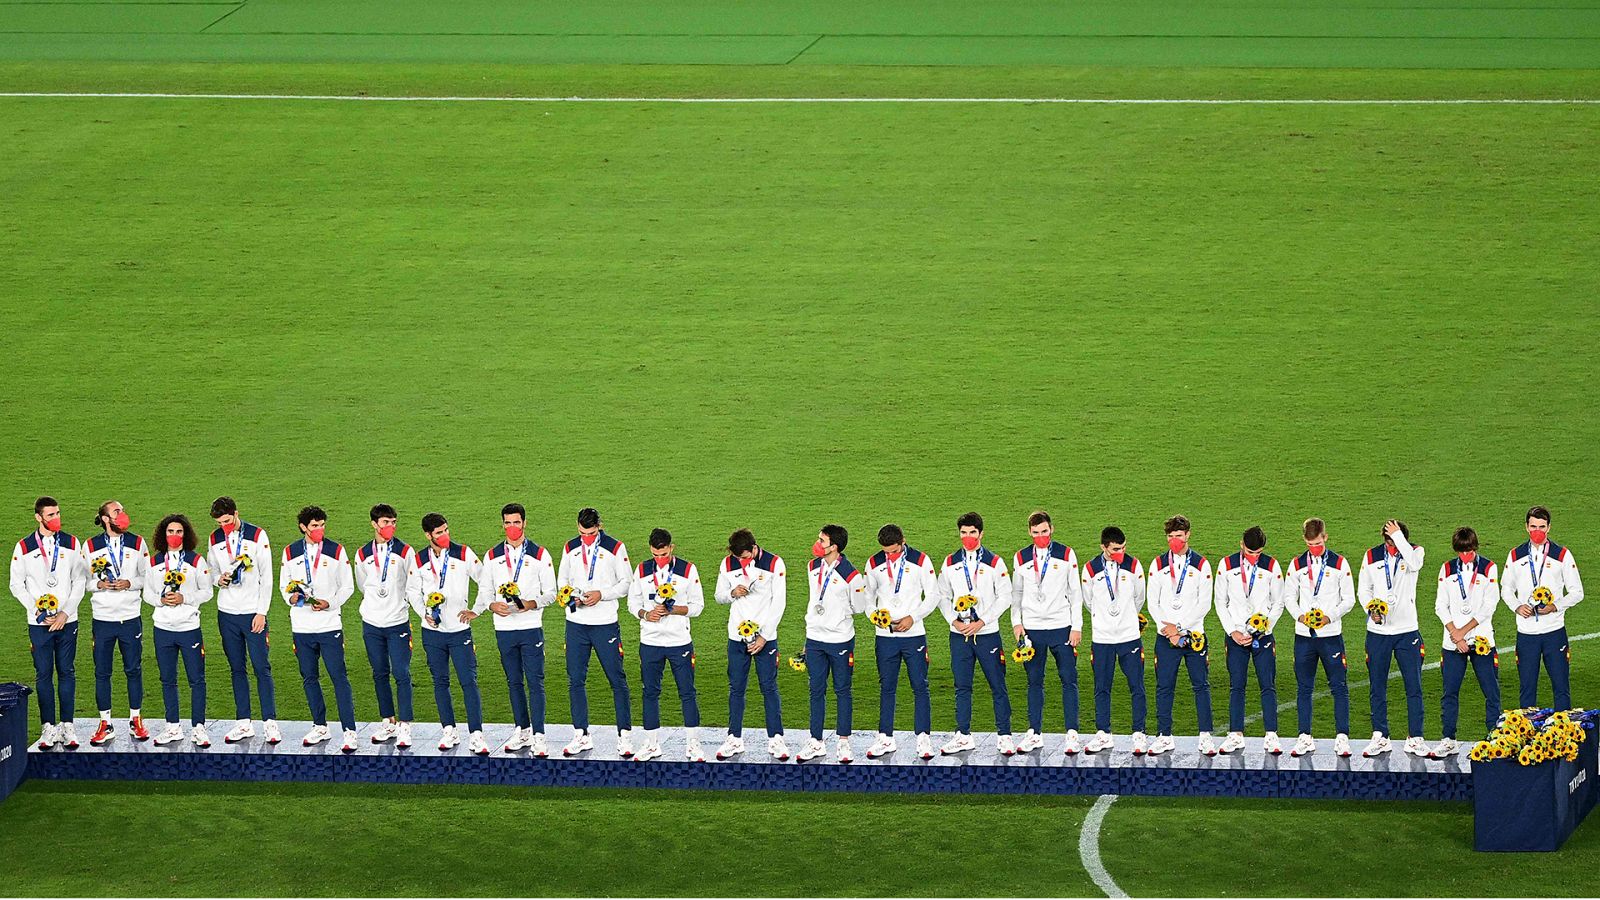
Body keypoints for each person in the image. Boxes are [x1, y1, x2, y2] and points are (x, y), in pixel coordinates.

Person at [475, 503, 558, 756]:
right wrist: (491, 605)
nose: (512, 527)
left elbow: (552, 594)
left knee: (535, 682)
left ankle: (540, 735)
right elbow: (484, 591)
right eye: (508, 523)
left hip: (530, 626)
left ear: (525, 523)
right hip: (503, 628)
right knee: (513, 682)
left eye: (516, 522)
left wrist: (532, 603)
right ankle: (522, 730)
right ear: (503, 525)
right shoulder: (491, 556)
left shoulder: (540, 555)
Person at [405, 512, 489, 756]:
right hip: (432, 632)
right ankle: (449, 730)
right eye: (439, 532)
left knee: (468, 681)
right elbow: (412, 591)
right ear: (428, 535)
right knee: (440, 682)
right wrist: (423, 614)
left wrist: (476, 609)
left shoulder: (463, 553)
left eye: (446, 530)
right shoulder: (419, 559)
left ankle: (476, 734)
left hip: (459, 629)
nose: (444, 536)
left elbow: (485, 581)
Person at [10, 496, 88, 750]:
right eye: (51, 515)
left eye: (57, 514)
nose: (56, 519)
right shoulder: (23, 547)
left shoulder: (72, 543)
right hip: (39, 624)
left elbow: (80, 580)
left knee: (67, 671)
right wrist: (38, 612)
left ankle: (68, 725)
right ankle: (48, 727)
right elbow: (16, 585)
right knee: (43, 674)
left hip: (68, 621)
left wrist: (65, 612)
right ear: (38, 517)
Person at [556, 507, 634, 758]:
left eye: (590, 533)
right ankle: (581, 734)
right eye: (582, 532)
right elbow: (562, 581)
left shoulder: (615, 548)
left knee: (616, 679)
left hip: (605, 623)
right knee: (575, 679)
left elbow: (627, 583)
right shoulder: (570, 548)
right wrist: (572, 598)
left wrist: (603, 594)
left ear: (599, 526)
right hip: (576, 623)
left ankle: (624, 736)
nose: (586, 537)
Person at [279, 506, 358, 753]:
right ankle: (320, 726)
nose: (319, 530)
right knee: (309, 677)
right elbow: (284, 586)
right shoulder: (290, 552)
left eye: (322, 524)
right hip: (301, 627)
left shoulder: (336, 550)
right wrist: (291, 598)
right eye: (314, 526)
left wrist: (330, 603)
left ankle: (350, 731)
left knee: (339, 677)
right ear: (303, 527)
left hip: (329, 625)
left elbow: (347, 587)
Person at [937, 512, 1015, 757]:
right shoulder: (950, 562)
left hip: (987, 634)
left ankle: (1004, 736)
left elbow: (1006, 596)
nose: (967, 537)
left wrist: (983, 621)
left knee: (997, 685)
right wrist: (954, 621)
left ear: (981, 534)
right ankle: (963, 736)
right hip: (959, 635)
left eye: (972, 533)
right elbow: (942, 595)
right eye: (963, 532)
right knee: (962, 686)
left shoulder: (994, 562)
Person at [627, 528, 706, 762]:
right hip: (650, 641)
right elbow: (632, 602)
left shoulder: (687, 570)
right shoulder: (641, 569)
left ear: (671, 548)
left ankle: (693, 744)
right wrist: (644, 614)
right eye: (655, 554)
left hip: (678, 641)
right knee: (649, 692)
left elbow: (698, 606)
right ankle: (651, 744)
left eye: (662, 554)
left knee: (687, 692)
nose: (659, 559)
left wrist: (674, 609)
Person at [712, 528, 790, 761]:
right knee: (736, 687)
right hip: (736, 636)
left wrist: (764, 635)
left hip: (765, 637)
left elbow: (780, 602)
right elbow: (718, 596)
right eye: (739, 559)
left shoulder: (774, 563)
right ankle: (734, 738)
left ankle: (776, 739)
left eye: (746, 557)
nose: (742, 562)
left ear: (754, 548)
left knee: (769, 687)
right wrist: (732, 593)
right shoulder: (727, 564)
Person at [864, 523, 940, 760]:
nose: (890, 556)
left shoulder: (921, 561)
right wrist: (874, 616)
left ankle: (923, 738)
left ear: (903, 542)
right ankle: (885, 738)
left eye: (894, 551)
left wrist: (912, 617)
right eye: (886, 552)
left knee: (920, 685)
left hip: (913, 633)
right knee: (887, 686)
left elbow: (934, 595)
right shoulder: (874, 563)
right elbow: (867, 597)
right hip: (885, 636)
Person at [207, 496, 279, 746]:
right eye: (219, 523)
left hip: (252, 614)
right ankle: (243, 723)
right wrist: (219, 580)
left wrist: (262, 612)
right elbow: (212, 569)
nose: (223, 526)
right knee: (236, 668)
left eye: (227, 521)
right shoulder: (214, 538)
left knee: (261, 667)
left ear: (236, 513)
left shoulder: (258, 535)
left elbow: (267, 577)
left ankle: (269, 723)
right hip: (226, 613)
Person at [1010, 511, 1083, 756]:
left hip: (1061, 626)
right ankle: (1034, 733)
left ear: (1051, 529)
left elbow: (1075, 592)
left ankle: (1072, 734)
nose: (1040, 536)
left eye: (1044, 531)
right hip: (1032, 629)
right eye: (1035, 533)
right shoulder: (1020, 557)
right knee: (1034, 681)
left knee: (1068, 679)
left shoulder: (1066, 554)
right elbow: (1016, 594)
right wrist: (1016, 624)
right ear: (1029, 533)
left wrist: (1077, 626)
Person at [1283, 517, 1357, 758]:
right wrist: (1300, 616)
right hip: (1304, 636)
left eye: (1318, 542)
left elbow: (1349, 599)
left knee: (1338, 686)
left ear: (1325, 537)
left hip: (1331, 635)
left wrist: (1330, 617)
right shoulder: (1296, 565)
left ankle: (1342, 737)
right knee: (1304, 687)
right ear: (1304, 540)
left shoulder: (1339, 563)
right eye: (1309, 543)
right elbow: (1288, 598)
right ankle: (1305, 736)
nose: (1314, 547)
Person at [1356, 519, 1428, 757]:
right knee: (1377, 686)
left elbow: (1415, 564)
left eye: (1395, 542)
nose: (1392, 548)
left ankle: (1415, 737)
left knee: (1414, 686)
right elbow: (1363, 589)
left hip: (1407, 631)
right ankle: (1380, 736)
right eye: (1389, 543)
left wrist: (1399, 538)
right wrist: (1371, 608)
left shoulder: (1414, 552)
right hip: (1378, 633)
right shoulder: (1371, 556)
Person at [1145, 515, 1216, 756]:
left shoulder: (1202, 565)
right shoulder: (1157, 564)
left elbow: (1205, 603)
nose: (1174, 540)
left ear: (1188, 535)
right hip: (1166, 638)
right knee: (1164, 687)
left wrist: (1180, 627)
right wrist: (1168, 630)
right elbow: (1152, 602)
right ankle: (1164, 736)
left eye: (1178, 536)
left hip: (1194, 636)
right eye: (1170, 536)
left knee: (1201, 685)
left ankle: (1205, 736)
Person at [1503, 505, 1584, 711]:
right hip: (1526, 633)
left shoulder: (1562, 555)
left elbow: (1577, 592)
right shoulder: (1515, 555)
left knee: (1561, 687)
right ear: (1526, 527)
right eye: (1533, 526)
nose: (1537, 531)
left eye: (1541, 526)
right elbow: (1505, 588)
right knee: (1527, 688)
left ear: (1549, 527)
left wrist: (1555, 606)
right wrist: (1517, 606)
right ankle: (1528, 737)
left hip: (1554, 632)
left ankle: (1563, 737)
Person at [799, 524, 869, 762]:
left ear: (834, 547)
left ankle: (843, 742)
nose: (817, 544)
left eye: (822, 541)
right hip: (815, 639)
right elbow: (813, 601)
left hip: (839, 639)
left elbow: (859, 607)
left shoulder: (852, 575)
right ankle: (815, 741)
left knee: (842, 690)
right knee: (815, 690)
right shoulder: (811, 567)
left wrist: (838, 614)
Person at [1212, 525, 1285, 755]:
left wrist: (1265, 627)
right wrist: (1233, 631)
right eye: (1250, 552)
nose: (1254, 557)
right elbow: (1220, 602)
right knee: (1237, 686)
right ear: (1241, 544)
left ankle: (1271, 735)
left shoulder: (1271, 566)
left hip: (1263, 637)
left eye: (1258, 553)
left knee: (1267, 685)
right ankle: (1235, 735)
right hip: (1235, 636)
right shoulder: (1226, 565)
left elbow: (1278, 602)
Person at [143, 514, 213, 747]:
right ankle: (172, 727)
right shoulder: (153, 563)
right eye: (170, 532)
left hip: (189, 628)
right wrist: (161, 601)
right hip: (162, 628)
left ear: (186, 535)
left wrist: (186, 598)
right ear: (163, 535)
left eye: (179, 532)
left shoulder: (196, 561)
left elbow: (207, 592)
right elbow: (147, 594)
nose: (174, 536)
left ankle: (199, 728)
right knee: (167, 679)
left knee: (196, 679)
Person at [84, 500, 150, 745]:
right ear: (105, 518)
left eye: (123, 510)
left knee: (133, 669)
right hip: (102, 619)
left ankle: (136, 720)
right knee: (102, 673)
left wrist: (129, 583)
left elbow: (147, 576)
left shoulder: (137, 542)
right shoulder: (90, 545)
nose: (122, 515)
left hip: (130, 618)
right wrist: (99, 584)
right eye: (117, 512)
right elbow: (83, 581)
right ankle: (105, 723)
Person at [1433, 526, 1501, 759]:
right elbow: (1440, 605)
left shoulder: (1489, 568)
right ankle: (1448, 740)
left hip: (1482, 639)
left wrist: (1463, 632)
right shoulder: (1447, 568)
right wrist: (1455, 633)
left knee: (1491, 692)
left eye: (1469, 551)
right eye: (1461, 552)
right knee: (1449, 692)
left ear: (1475, 547)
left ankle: (1494, 739)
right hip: (1453, 643)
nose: (1465, 556)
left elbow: (1489, 605)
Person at [353, 504, 417, 748]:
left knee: (401, 673)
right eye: (385, 523)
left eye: (393, 522)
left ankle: (405, 725)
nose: (389, 527)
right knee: (379, 673)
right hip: (371, 623)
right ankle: (388, 721)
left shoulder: (405, 551)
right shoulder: (361, 554)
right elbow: (363, 585)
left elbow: (411, 585)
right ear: (374, 524)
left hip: (397, 621)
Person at [1081, 526, 1147, 754]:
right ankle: (1103, 734)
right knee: (1102, 687)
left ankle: (1139, 734)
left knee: (1136, 685)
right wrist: (1105, 618)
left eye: (1123, 547)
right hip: (1102, 637)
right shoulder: (1090, 569)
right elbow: (1088, 601)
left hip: (1129, 636)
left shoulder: (1134, 565)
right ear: (1103, 548)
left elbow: (1140, 598)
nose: (1121, 552)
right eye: (1116, 549)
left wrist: (1126, 617)